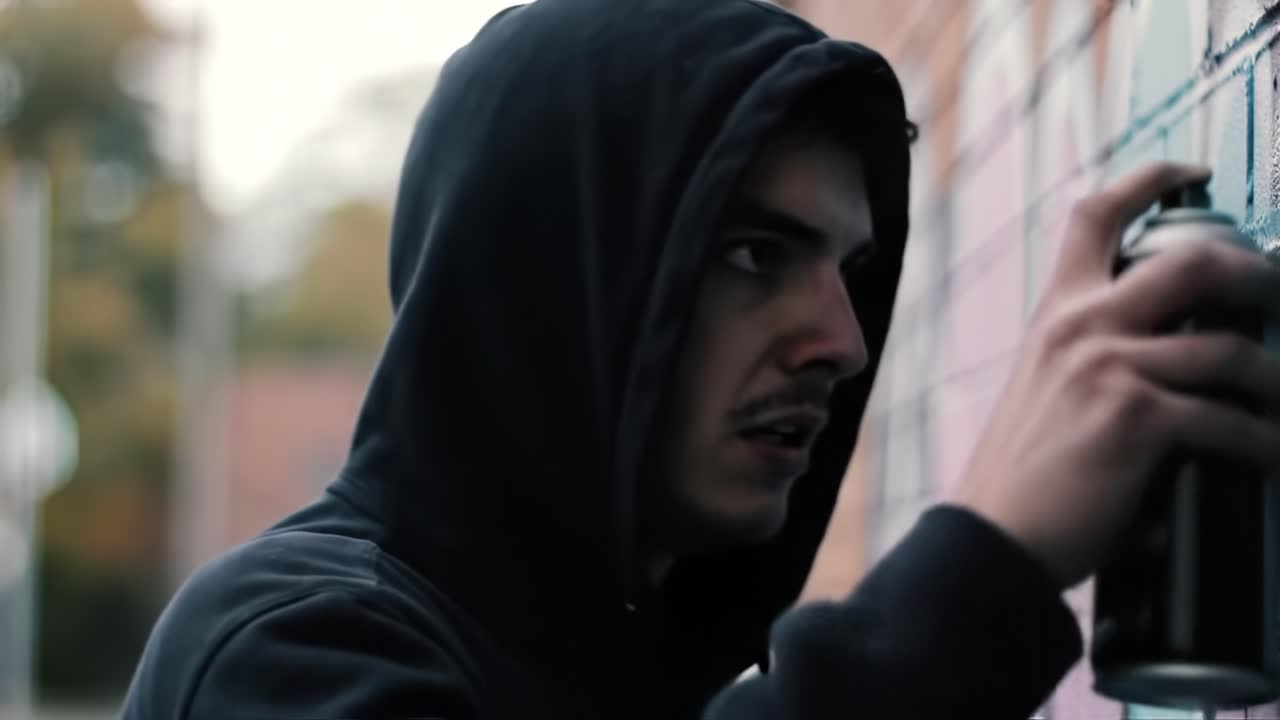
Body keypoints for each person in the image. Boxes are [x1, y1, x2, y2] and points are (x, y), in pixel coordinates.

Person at [120, 0, 1280, 718]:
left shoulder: (630, 680)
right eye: (748, 253)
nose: (840, 341)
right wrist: (986, 564)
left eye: (845, 267)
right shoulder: (287, 652)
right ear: (550, 279)